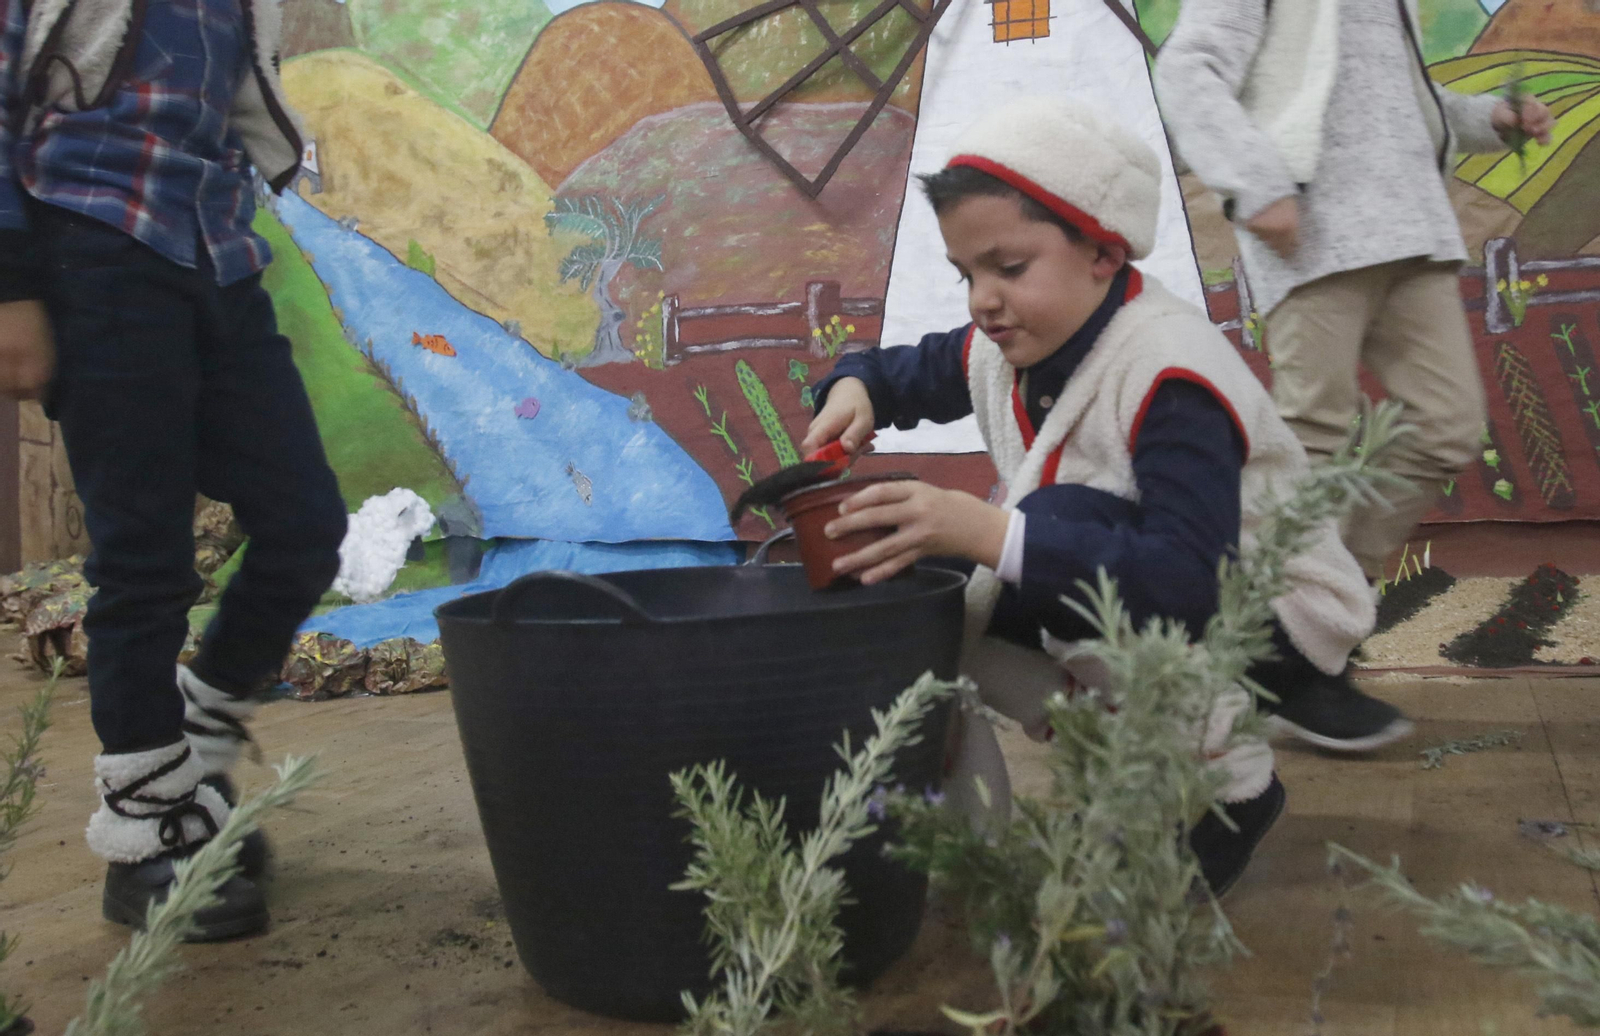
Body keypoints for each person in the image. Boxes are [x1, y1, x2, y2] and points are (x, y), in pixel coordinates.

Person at [803, 97, 1382, 896]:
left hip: (1262, 608)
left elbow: (1186, 579)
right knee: (956, 598)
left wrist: (983, 531)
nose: (981, 298)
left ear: (1104, 253)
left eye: (1008, 269)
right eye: (966, 273)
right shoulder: (1012, 343)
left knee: (1035, 533)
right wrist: (856, 389)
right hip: (1147, 573)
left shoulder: (1172, 373)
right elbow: (913, 371)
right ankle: (1107, 759)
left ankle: (1230, 782)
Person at [0, 0, 348, 939]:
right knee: (145, 561)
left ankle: (187, 757)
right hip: (91, 248)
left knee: (306, 523)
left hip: (217, 253)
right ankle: (148, 831)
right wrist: (12, 286)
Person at [1153, 2, 1553, 589]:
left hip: (1415, 230)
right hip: (1313, 233)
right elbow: (1189, 68)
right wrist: (1255, 182)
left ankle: (1331, 596)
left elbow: (1392, 98)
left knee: (1447, 424)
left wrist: (1486, 117)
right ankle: (1271, 625)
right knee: (1312, 443)